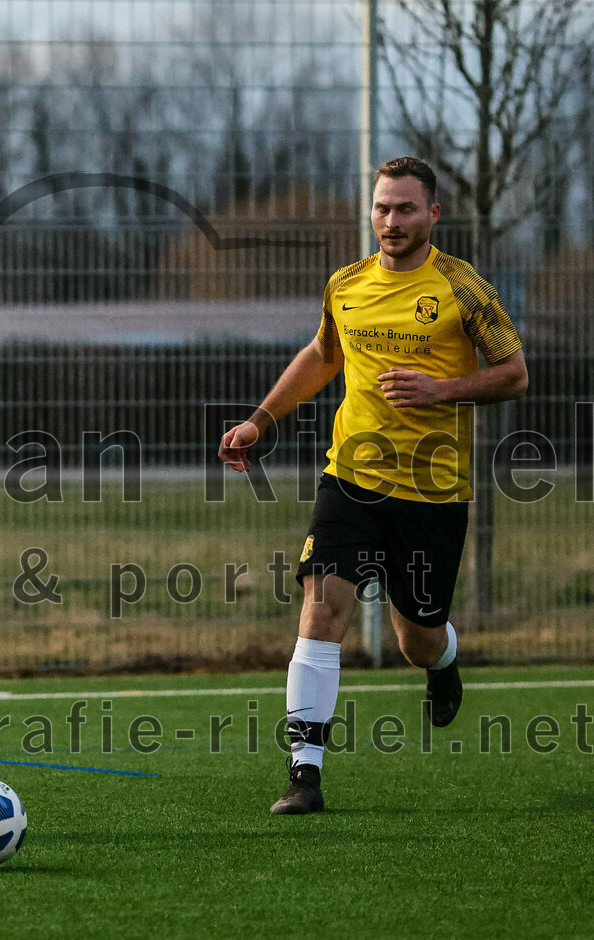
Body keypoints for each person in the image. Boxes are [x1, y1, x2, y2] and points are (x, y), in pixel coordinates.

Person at [218, 157, 527, 815]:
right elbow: (322, 355)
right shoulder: (347, 284)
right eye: (383, 207)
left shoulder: (463, 287)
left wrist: (441, 389)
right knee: (321, 607)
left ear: (433, 214)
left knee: (417, 638)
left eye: (406, 208)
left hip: (433, 492)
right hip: (351, 478)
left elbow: (514, 373)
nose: (391, 220)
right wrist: (259, 420)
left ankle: (443, 661)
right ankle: (305, 774)